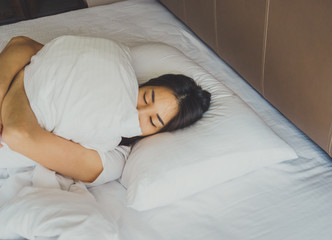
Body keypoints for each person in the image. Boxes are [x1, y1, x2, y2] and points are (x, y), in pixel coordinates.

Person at [0, 36, 211, 184]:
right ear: (143, 85)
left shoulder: (113, 159)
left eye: (153, 121)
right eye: (146, 97)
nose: (138, 111)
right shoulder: (107, 79)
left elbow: (19, 134)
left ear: (158, 133)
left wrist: (22, 77)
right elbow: (23, 44)